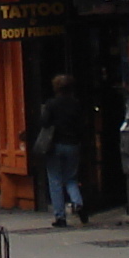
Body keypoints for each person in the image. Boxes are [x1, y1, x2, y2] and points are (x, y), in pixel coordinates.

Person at [37, 73, 89, 228]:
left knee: (55, 180)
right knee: (71, 178)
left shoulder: (52, 104)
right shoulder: (76, 104)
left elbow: (44, 122)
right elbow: (82, 124)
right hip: (72, 144)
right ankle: (77, 202)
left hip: (55, 145)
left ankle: (60, 216)